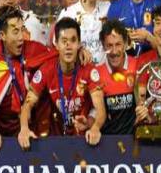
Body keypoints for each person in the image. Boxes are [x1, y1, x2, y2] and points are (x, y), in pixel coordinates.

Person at [0, 6, 57, 151]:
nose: (21, 37)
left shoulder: (33, 50)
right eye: (15, 32)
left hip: (32, 133)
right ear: (2, 35)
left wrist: (79, 52)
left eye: (22, 30)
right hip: (1, 141)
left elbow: (56, 57)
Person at [18, 17, 105, 149]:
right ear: (56, 45)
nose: (68, 46)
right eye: (64, 41)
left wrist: (95, 127)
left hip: (84, 141)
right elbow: (27, 104)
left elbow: (100, 109)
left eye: (73, 40)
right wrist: (24, 128)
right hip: (55, 143)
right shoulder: (47, 70)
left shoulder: (89, 70)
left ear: (79, 44)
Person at [88, 19, 137, 134]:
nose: (114, 51)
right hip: (108, 140)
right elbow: (95, 112)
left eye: (118, 44)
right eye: (109, 45)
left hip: (135, 139)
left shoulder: (137, 66)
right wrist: (90, 124)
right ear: (103, 46)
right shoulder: (96, 74)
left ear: (126, 44)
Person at [57, 0, 110, 64]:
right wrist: (78, 49)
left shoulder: (109, 9)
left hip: (105, 72)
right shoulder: (67, 14)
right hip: (79, 72)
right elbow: (57, 45)